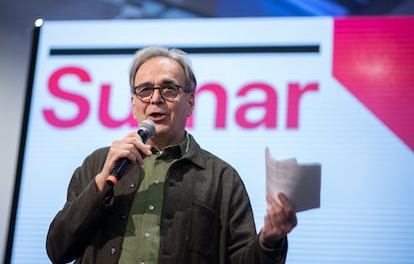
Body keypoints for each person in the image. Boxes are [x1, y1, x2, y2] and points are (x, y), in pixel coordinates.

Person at [46, 46, 297, 264]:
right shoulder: (100, 164)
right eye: (144, 90)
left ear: (190, 102)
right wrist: (101, 183)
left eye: (169, 89)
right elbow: (58, 249)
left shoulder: (221, 178)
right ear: (134, 104)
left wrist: (269, 241)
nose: (155, 99)